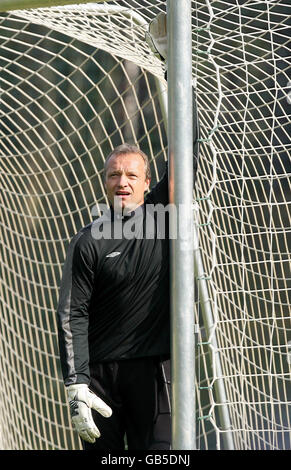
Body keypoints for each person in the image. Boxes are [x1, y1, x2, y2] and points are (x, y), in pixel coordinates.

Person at [57, 13, 199, 451]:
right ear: (105, 181)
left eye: (131, 175)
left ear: (146, 180)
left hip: (148, 374)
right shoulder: (90, 240)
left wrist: (176, 68)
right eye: (114, 174)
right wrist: (75, 383)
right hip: (98, 379)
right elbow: (71, 313)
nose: (122, 181)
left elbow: (187, 143)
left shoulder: (163, 212)